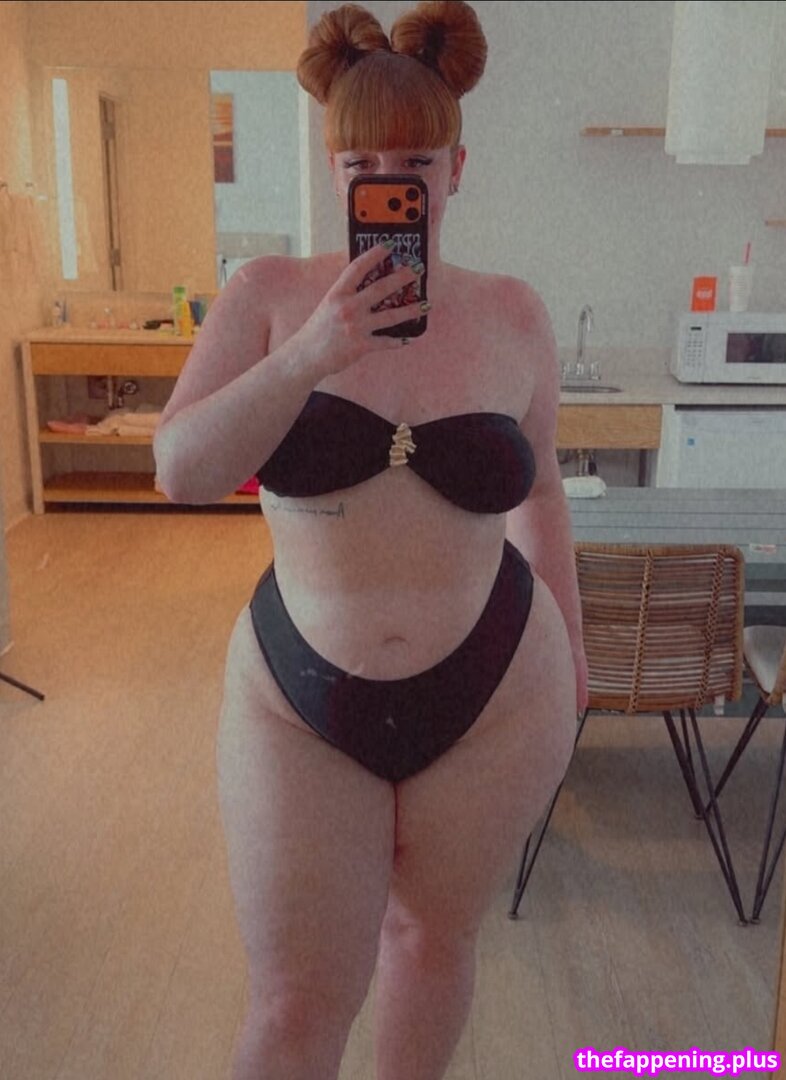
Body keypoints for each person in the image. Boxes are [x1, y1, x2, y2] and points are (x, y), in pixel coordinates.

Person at [153, 2, 587, 1078]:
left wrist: (576, 658)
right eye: (362, 164)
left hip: (497, 697)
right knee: (294, 1002)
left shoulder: (515, 315)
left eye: (416, 164)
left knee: (434, 943)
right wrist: (310, 354)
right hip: (298, 700)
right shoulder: (266, 298)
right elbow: (181, 470)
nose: (389, 185)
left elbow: (540, 491)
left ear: (457, 170)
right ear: (333, 169)